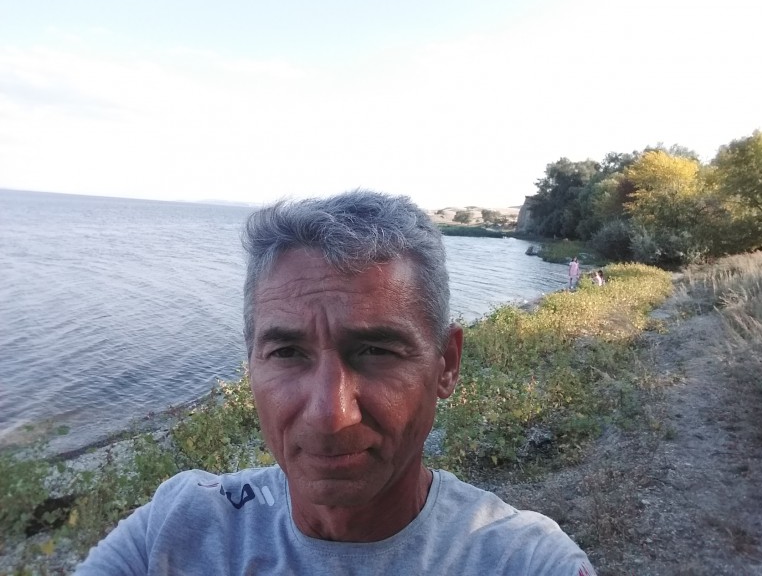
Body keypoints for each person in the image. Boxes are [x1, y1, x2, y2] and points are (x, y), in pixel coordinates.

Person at [76, 190, 595, 575]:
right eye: (287, 353)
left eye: (376, 351)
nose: (330, 414)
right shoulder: (176, 526)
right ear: (251, 362)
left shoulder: (522, 559)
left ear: (447, 364)